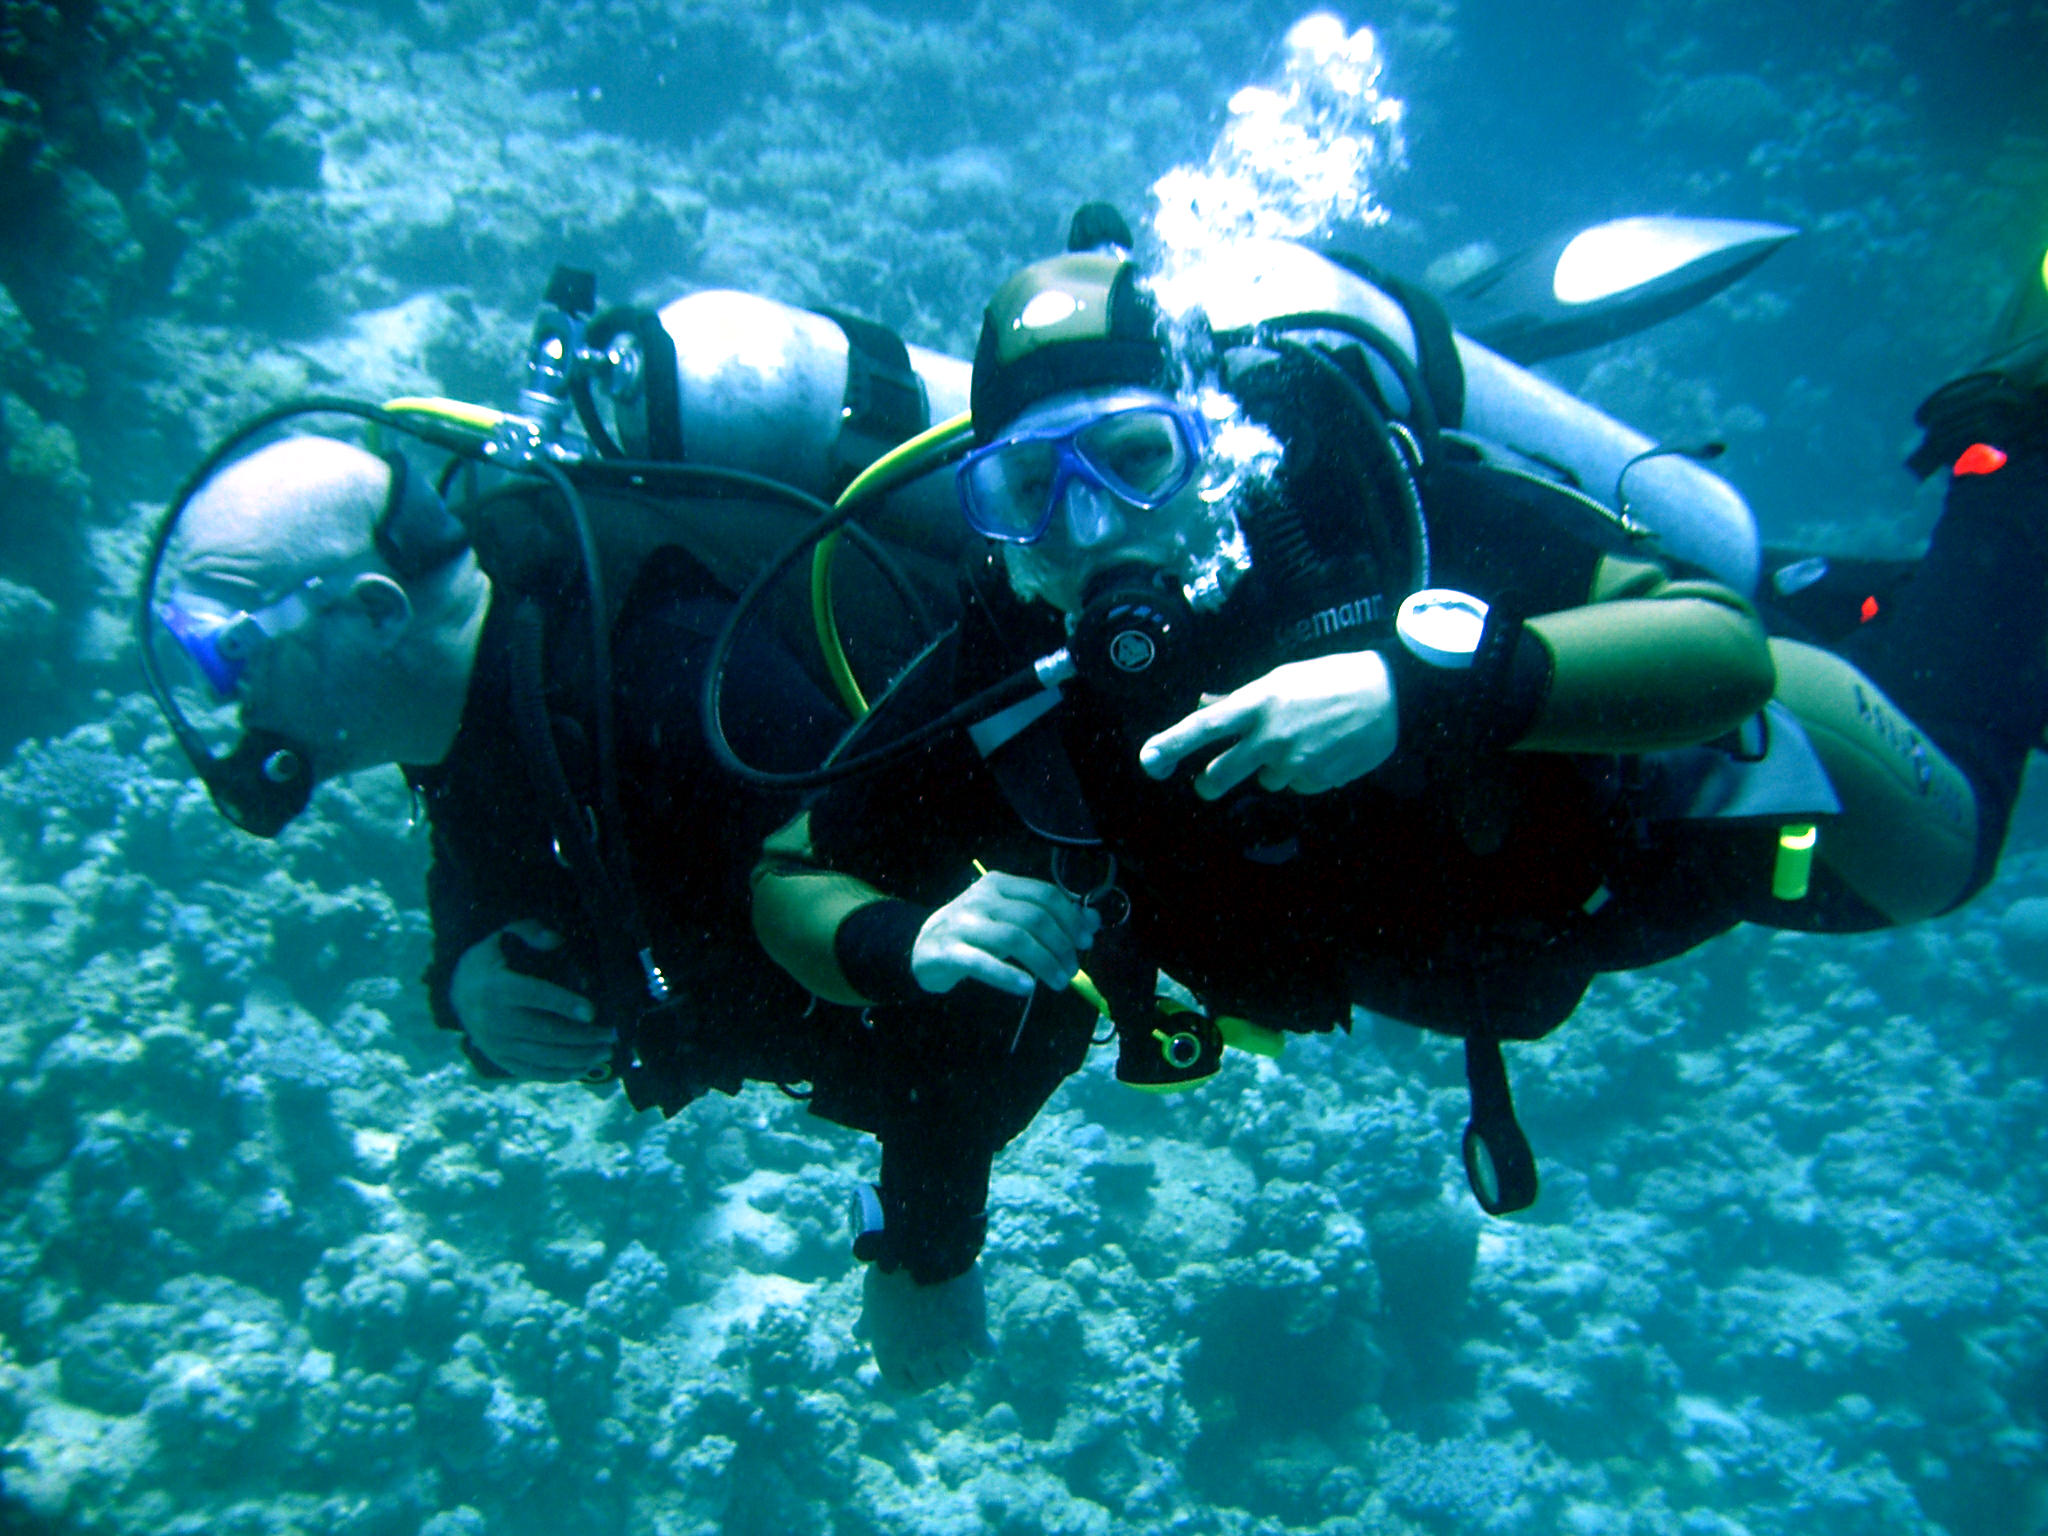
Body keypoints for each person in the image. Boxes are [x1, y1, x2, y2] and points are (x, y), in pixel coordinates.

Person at [750, 223, 2048, 1212]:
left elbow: (1718, 649)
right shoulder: (1010, 673)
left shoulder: (1358, 516)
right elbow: (791, 871)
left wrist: (1417, 689)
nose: (1088, 528)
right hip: (1529, 928)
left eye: (1136, 458)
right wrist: (904, 940)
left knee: (1950, 839)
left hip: (1720, 820)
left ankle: (2011, 435)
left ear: (1213, 441)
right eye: (1026, 488)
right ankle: (1870, 584)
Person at [145, 433, 1094, 1390]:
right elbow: (469, 816)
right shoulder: (463, 673)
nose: (226, 701)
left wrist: (928, 1248)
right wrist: (464, 976)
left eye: (231, 653)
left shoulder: (676, 681)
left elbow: (990, 960)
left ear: (377, 611)